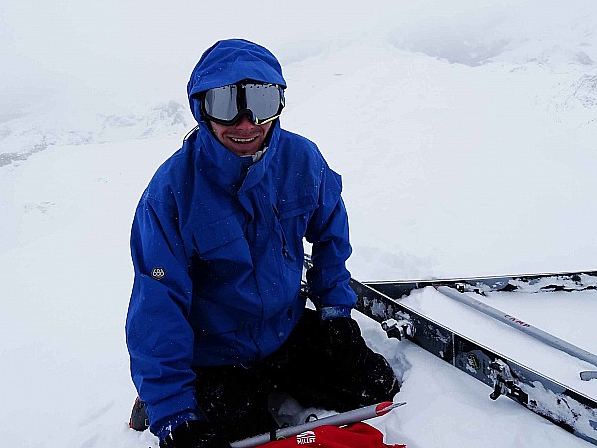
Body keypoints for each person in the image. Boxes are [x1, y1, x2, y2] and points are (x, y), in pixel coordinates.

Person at [126, 39, 399, 448]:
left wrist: (336, 311)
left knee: (377, 385)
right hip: (214, 355)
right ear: (201, 108)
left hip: (284, 333)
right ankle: (158, 400)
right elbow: (156, 306)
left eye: (260, 100)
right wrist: (174, 412)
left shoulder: (302, 161)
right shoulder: (171, 194)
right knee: (234, 439)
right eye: (225, 104)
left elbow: (331, 240)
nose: (245, 122)